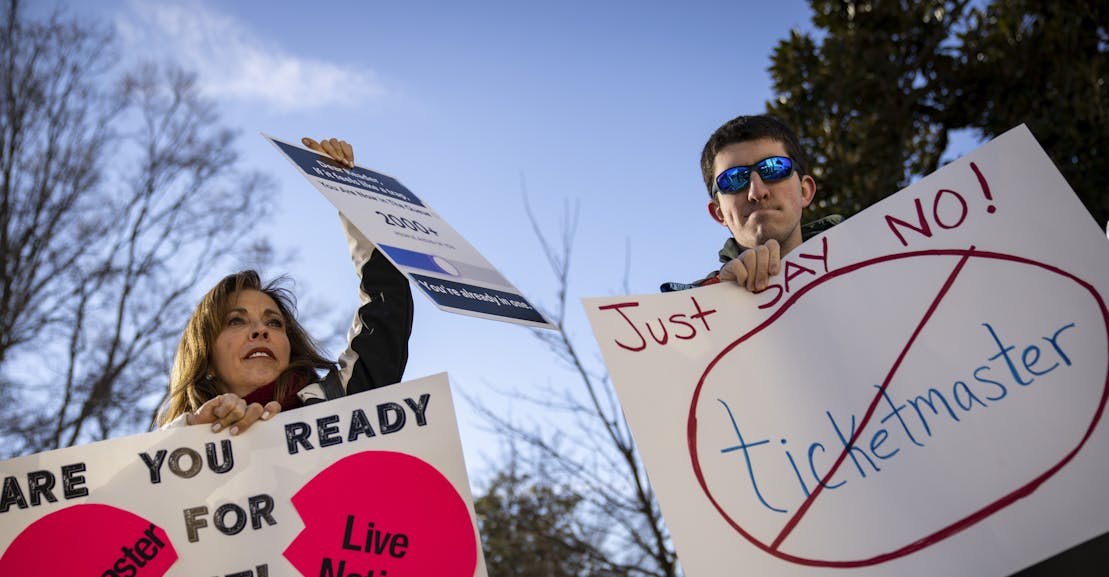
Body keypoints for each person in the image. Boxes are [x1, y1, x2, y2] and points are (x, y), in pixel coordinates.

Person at [155, 138, 412, 435]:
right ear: (205, 356)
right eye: (235, 321)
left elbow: (387, 302)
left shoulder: (341, 400)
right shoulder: (176, 445)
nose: (261, 330)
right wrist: (191, 431)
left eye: (274, 322)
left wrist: (347, 189)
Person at [661, 114, 840, 293]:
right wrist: (721, 299)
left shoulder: (864, 256)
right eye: (734, 179)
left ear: (805, 191)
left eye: (773, 168)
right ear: (719, 213)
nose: (757, 192)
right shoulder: (683, 312)